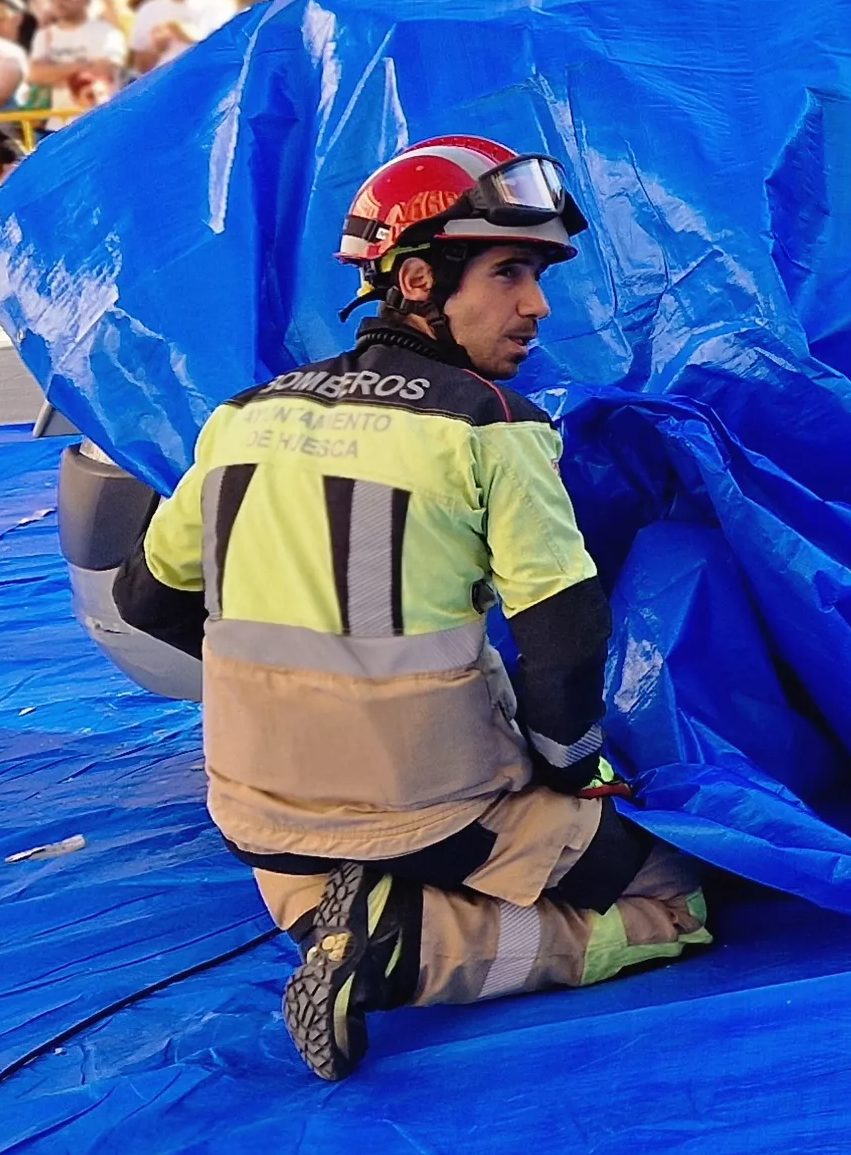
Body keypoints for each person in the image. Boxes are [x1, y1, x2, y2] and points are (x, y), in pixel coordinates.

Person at [108, 138, 708, 1080]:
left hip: (258, 812)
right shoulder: (491, 425)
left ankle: (351, 917)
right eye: (509, 273)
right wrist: (570, 770)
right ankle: (404, 945)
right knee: (681, 895)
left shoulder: (243, 416)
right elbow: (563, 633)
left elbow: (146, 597)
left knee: (329, 878)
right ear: (420, 281)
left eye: (538, 277)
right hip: (440, 808)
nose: (538, 305)